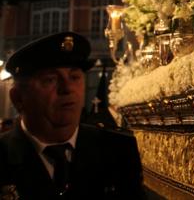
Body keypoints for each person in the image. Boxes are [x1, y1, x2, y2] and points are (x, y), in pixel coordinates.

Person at [0, 32, 145, 199]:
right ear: (18, 98)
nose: (67, 88)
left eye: (74, 77)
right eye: (50, 80)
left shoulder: (118, 149)